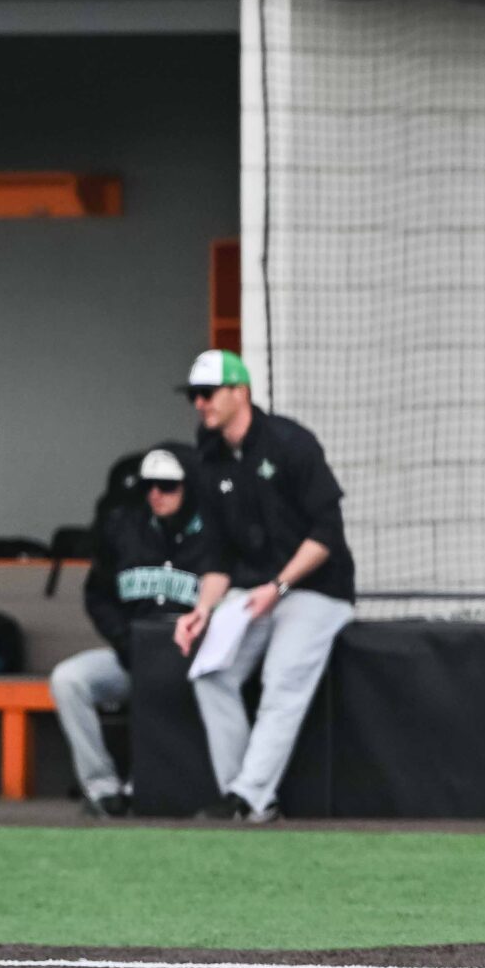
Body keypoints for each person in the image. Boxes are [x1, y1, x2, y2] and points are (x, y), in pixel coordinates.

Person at [170, 350, 355, 825]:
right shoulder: (208, 458)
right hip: (255, 592)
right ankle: (244, 796)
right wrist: (202, 609)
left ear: (240, 392)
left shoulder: (291, 443)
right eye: (194, 396)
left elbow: (327, 534)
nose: (200, 404)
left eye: (208, 394)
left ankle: (248, 797)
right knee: (209, 670)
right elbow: (216, 556)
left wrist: (278, 584)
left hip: (315, 588)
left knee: (282, 677)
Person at [51, 446, 207, 819]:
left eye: (167, 486)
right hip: (133, 653)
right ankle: (102, 787)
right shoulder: (123, 530)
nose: (156, 494)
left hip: (194, 661)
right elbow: (98, 596)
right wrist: (125, 640)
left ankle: (147, 784)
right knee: (68, 679)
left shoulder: (212, 533)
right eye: (149, 485)